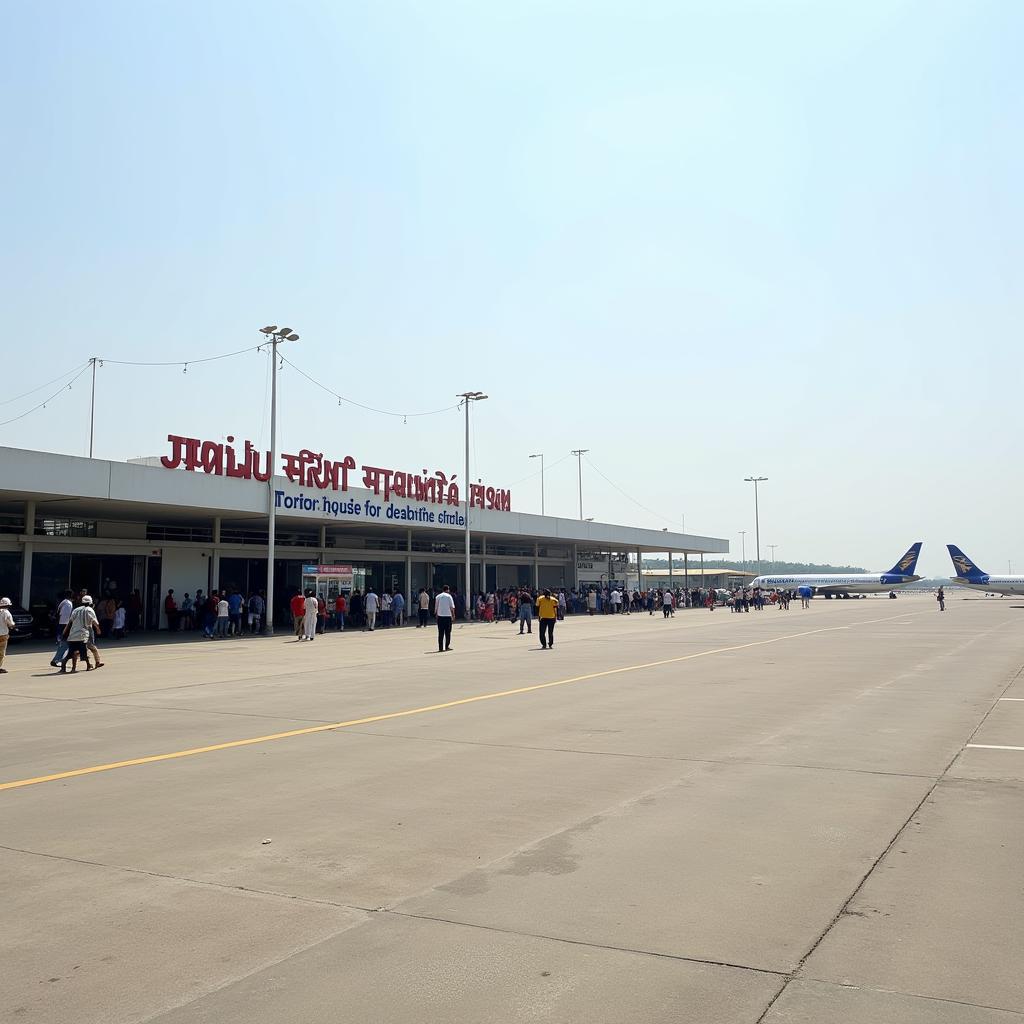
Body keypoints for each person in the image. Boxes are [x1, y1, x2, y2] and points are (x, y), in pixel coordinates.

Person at [63, 595, 100, 673]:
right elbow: (94, 621)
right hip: (83, 635)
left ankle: (72, 668)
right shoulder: (89, 609)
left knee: (73, 652)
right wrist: (98, 629)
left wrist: (64, 631)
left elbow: (69, 622)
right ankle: (94, 664)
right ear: (90, 603)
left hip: (73, 635)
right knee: (87, 650)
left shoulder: (75, 610)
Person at [51, 590, 74, 667]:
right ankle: (57, 660)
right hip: (64, 626)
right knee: (65, 644)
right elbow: (65, 618)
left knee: (66, 645)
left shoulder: (64, 602)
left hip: (62, 626)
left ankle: (59, 660)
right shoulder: (67, 604)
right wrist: (66, 629)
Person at [434, 584, 455, 652]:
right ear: (447, 590)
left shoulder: (438, 596)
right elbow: (452, 607)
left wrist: (436, 615)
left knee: (440, 633)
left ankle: (440, 648)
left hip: (440, 617)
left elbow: (436, 607)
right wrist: (453, 615)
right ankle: (446, 646)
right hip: (448, 617)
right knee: (448, 632)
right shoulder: (449, 596)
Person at [0, 596, 15, 674]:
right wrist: (13, 626)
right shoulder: (6, 612)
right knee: (1, 653)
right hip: (2, 635)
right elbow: (10, 624)